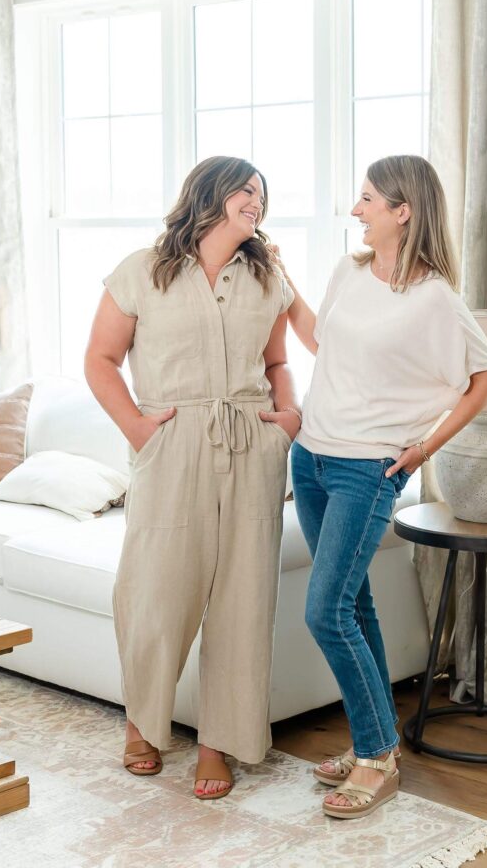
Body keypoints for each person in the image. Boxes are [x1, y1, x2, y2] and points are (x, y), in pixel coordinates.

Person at [280, 154, 487, 820]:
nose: (356, 209)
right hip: (311, 459)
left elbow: (485, 377)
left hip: (368, 469)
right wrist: (281, 277)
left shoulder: (433, 297)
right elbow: (321, 340)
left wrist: (424, 447)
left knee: (325, 611)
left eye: (368, 198)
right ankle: (372, 742)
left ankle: (376, 759)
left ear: (402, 211)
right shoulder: (349, 272)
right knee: (353, 608)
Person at [85, 156, 301, 800]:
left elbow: (279, 359)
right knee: (153, 591)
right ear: (208, 195)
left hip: (251, 444)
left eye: (262, 194)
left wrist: (287, 418)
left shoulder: (268, 277)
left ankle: (219, 744)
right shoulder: (143, 271)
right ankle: (142, 725)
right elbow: (100, 359)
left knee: (243, 599)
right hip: (170, 441)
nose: (256, 201)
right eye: (244, 190)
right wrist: (139, 429)